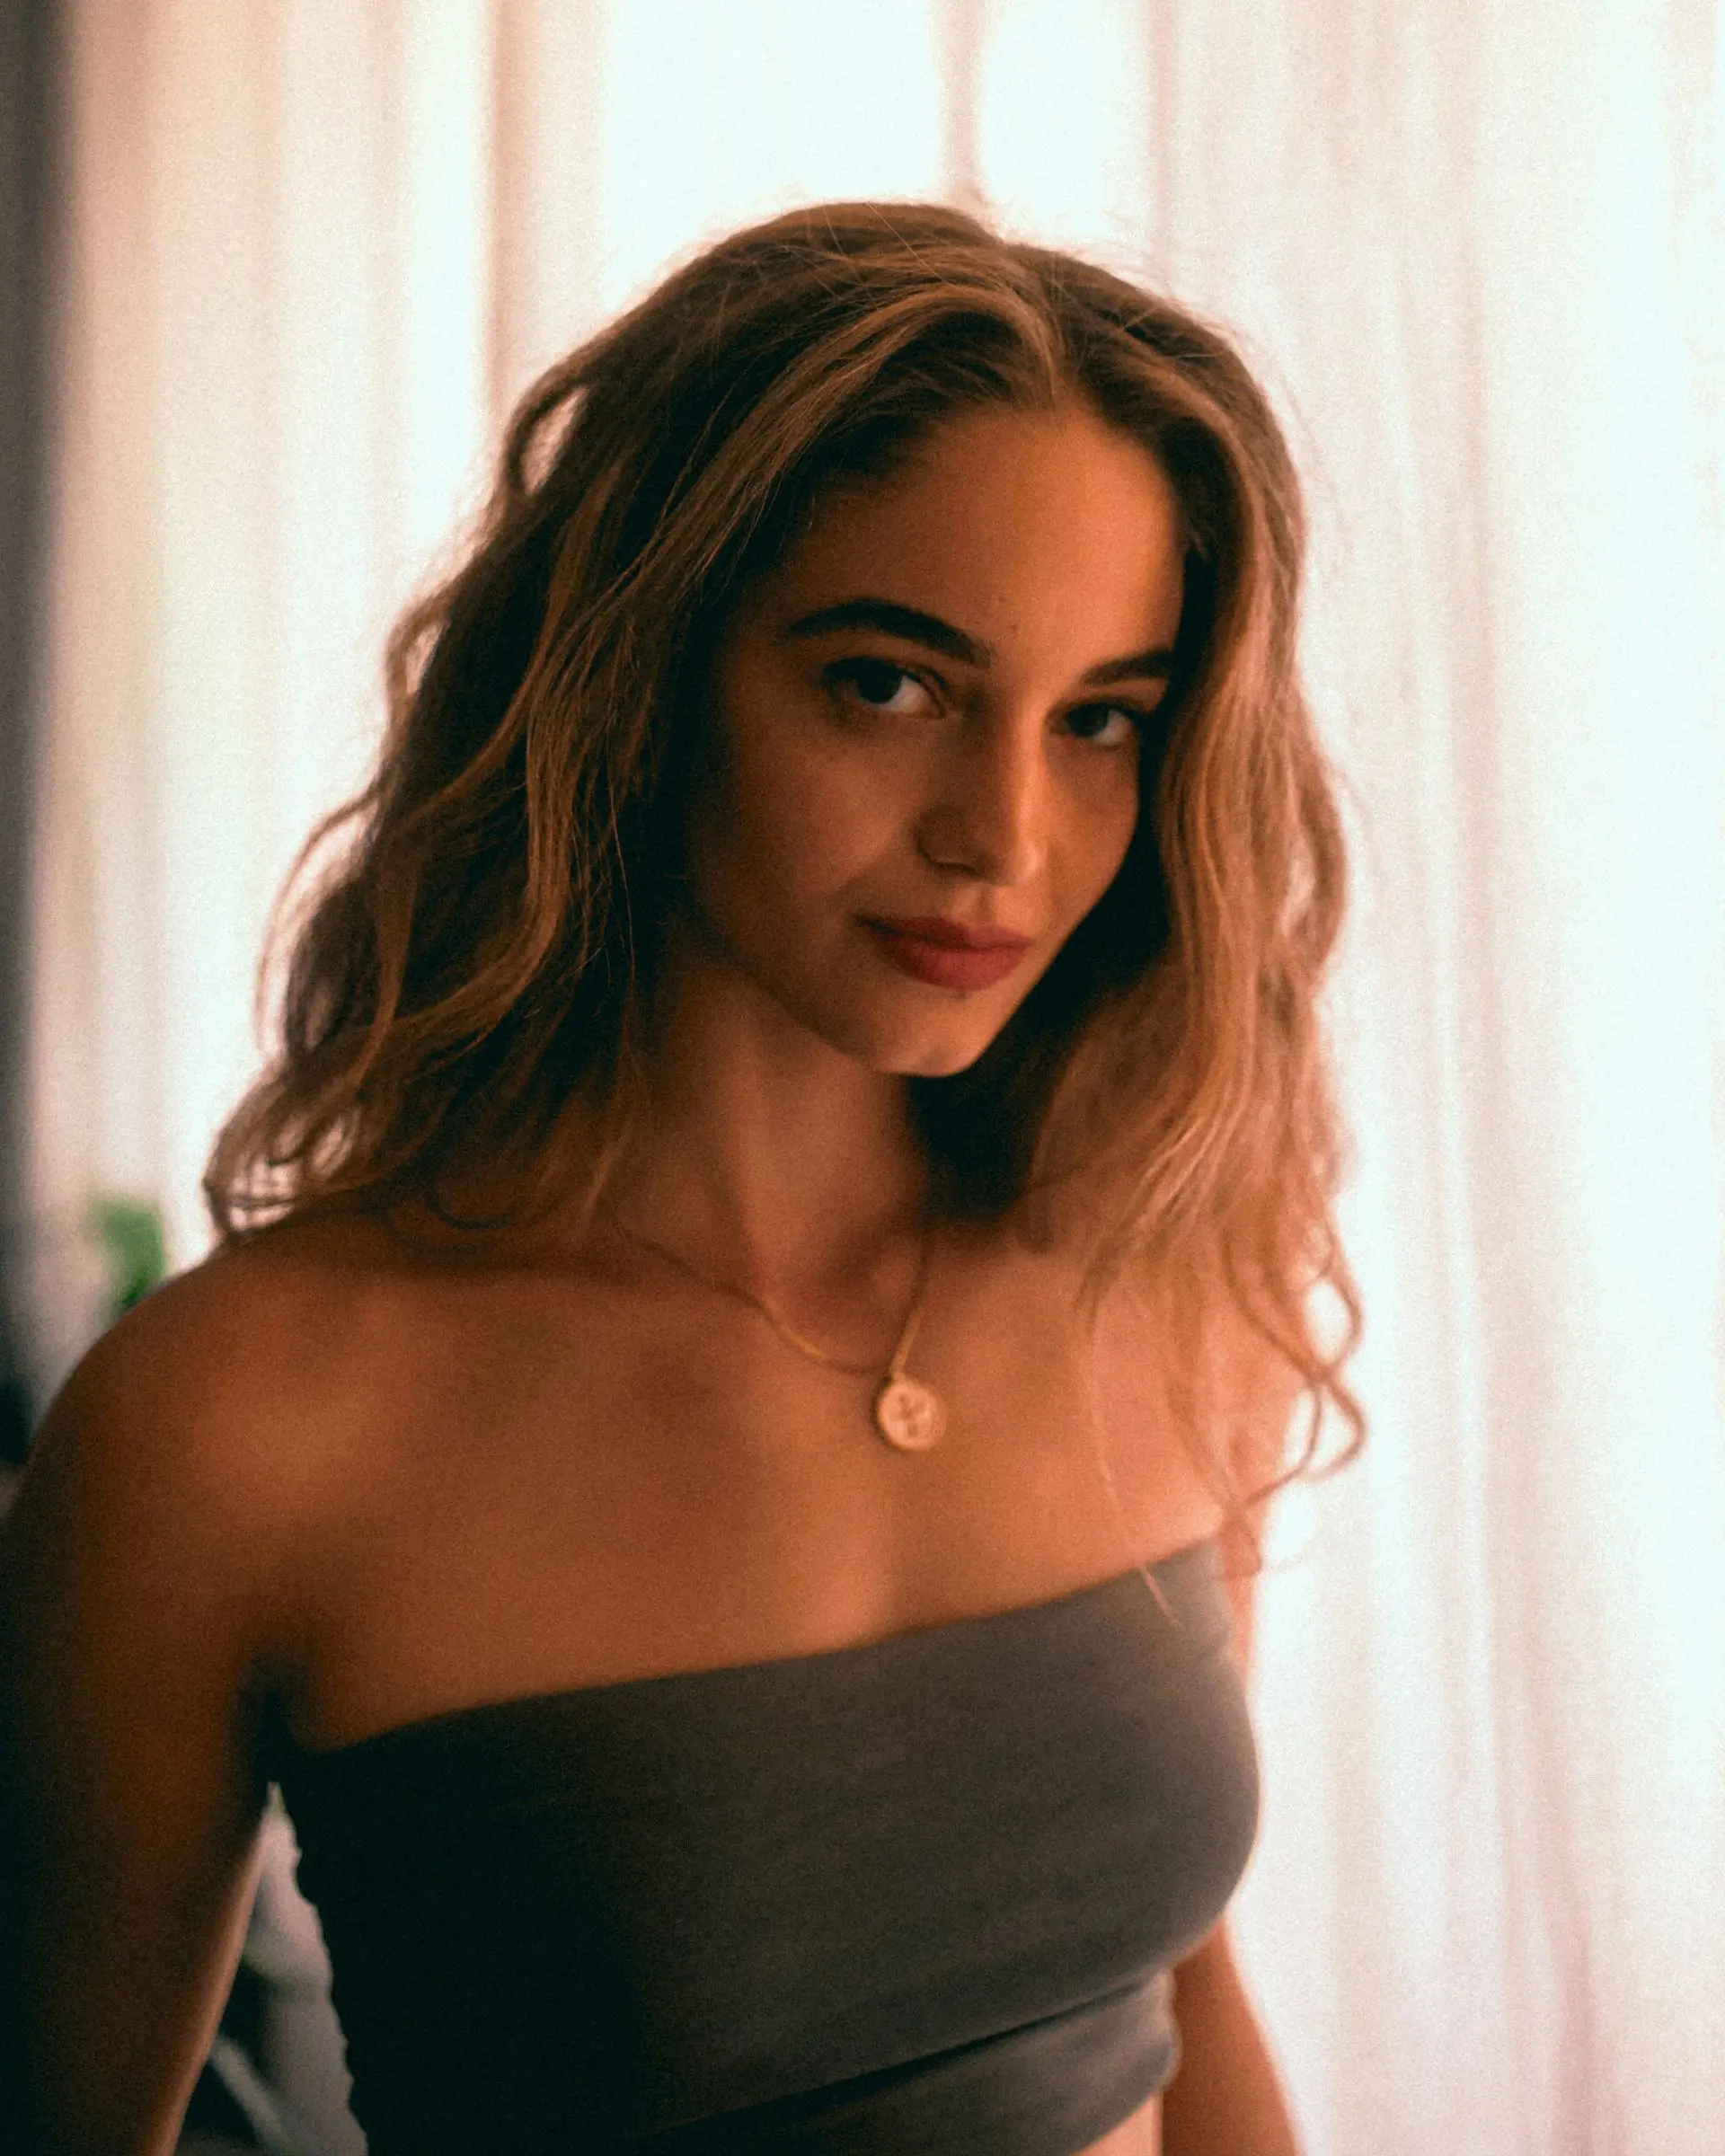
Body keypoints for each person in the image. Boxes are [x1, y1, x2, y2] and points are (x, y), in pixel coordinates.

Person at [0, 200, 1361, 2154]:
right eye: (888, 683)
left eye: (1101, 722)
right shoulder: (235, 1430)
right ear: (638, 672)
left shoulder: (1157, 1262)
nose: (1004, 834)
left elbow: (1184, 2004)